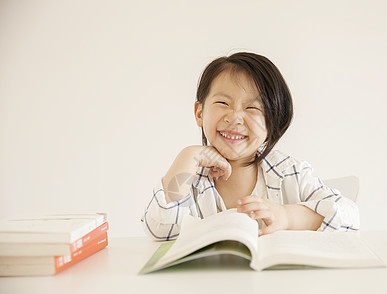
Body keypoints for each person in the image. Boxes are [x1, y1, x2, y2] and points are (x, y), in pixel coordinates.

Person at [141, 52, 360, 241]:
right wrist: (187, 156)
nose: (235, 118)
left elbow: (349, 216)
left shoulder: (290, 173)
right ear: (200, 113)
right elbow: (160, 229)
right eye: (223, 103)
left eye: (253, 107)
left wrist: (286, 216)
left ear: (272, 121)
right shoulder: (190, 177)